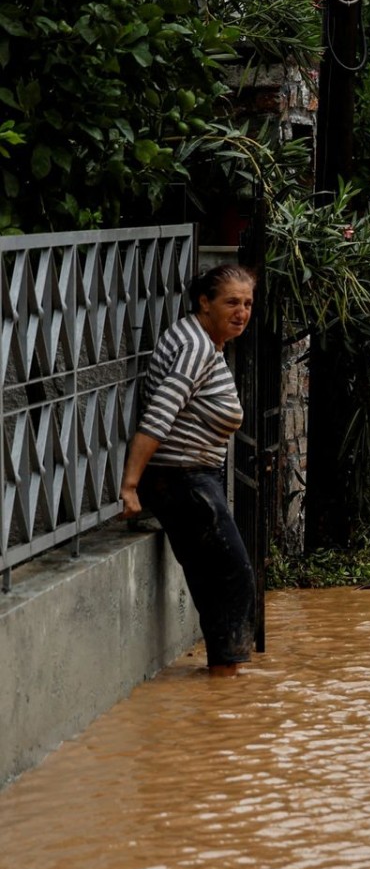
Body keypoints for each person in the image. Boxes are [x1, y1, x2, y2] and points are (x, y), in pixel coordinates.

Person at [119, 264, 257, 677]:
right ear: (204, 302)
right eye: (231, 302)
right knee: (233, 576)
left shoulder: (202, 341)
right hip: (181, 478)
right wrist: (130, 484)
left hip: (192, 477)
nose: (242, 312)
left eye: (247, 303)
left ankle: (220, 683)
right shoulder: (196, 347)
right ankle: (226, 682)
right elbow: (160, 413)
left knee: (211, 576)